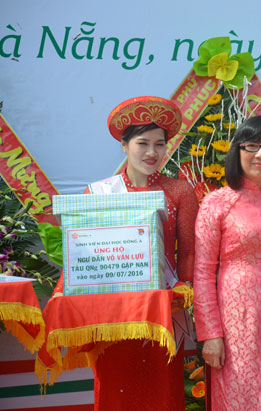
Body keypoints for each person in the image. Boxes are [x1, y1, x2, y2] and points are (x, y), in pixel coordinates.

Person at [52, 96, 199, 410]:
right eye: (142, 143)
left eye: (159, 145)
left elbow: (188, 252)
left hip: (162, 314)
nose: (151, 153)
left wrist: (183, 290)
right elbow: (84, 252)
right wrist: (63, 290)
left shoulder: (179, 191)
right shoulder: (99, 192)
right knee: (115, 390)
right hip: (114, 315)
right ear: (124, 145)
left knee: (163, 391)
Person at [193, 115, 261, 410]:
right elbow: (203, 273)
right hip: (236, 323)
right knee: (239, 396)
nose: (260, 155)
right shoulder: (216, 203)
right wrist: (210, 335)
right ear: (237, 150)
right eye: (252, 145)